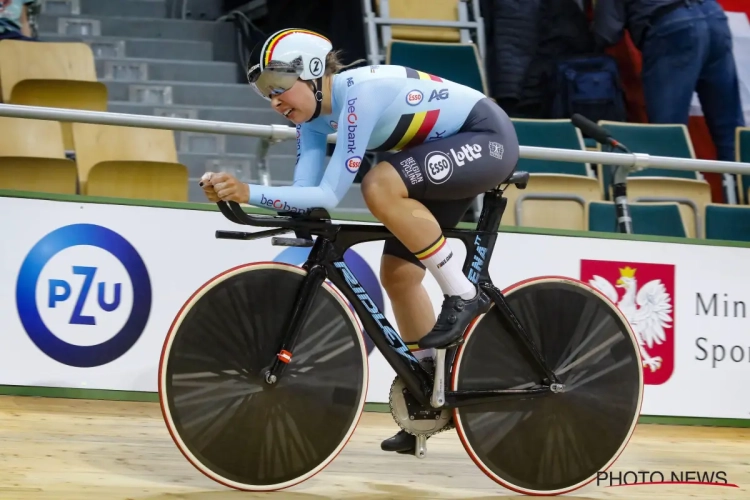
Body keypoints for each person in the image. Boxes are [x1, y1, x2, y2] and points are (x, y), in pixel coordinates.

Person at [199, 28, 520, 454]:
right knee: (400, 276)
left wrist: (249, 191)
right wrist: (234, 194)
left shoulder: (358, 96)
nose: (274, 100)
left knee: (378, 184)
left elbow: (329, 195)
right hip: (440, 154)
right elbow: (304, 199)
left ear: (313, 74)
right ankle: (427, 396)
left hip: (486, 139)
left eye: (278, 86)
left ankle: (462, 292)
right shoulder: (311, 121)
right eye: (264, 91)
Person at [593, 0, 745, 163]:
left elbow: (607, 32)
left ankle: (675, 186)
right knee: (730, 129)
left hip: (672, 26)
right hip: (714, 17)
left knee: (668, 133)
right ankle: (743, 185)